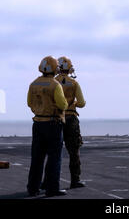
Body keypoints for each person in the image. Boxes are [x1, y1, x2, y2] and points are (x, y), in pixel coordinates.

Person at [27, 56, 68, 197]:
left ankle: (33, 188)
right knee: (54, 158)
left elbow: (29, 103)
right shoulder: (55, 85)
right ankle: (52, 189)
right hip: (53, 124)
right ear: (54, 69)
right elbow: (63, 105)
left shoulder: (33, 84)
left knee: (37, 158)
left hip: (38, 123)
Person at [56, 56, 86, 188]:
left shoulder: (52, 82)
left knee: (53, 152)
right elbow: (82, 103)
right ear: (69, 68)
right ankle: (75, 180)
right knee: (74, 151)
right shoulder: (74, 83)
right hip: (71, 118)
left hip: (55, 118)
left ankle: (47, 182)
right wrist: (72, 103)